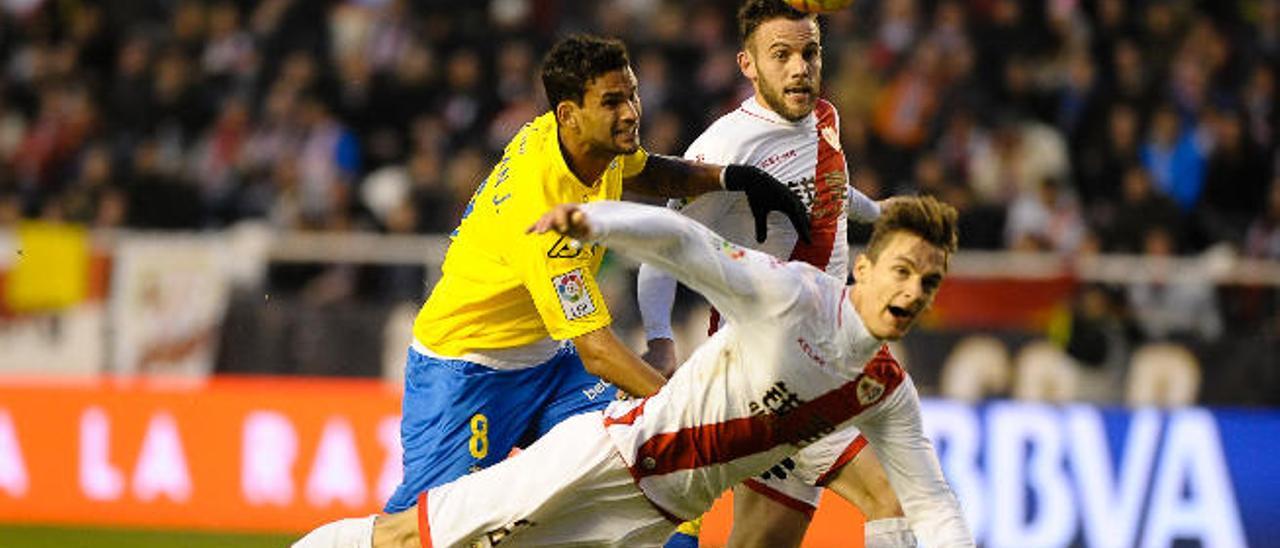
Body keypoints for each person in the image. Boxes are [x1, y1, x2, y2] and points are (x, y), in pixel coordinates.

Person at [293, 195, 974, 547]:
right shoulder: (793, 298)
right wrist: (595, 222)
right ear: (866, 268)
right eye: (903, 272)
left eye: (929, 283)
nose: (912, 294)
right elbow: (687, 243)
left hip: (651, 520)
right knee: (409, 537)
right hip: (605, 461)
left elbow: (932, 504)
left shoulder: (885, 391)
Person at [381, 34, 810, 516]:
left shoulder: (580, 140)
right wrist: (696, 414)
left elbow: (645, 172)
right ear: (569, 113)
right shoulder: (545, 217)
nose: (630, 112)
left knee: (653, 471)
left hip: (550, 360)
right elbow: (598, 351)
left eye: (631, 93)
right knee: (423, 529)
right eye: (612, 102)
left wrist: (734, 178)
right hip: (468, 369)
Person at [635, 2, 912, 546]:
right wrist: (661, 340)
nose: (798, 68)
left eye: (809, 54)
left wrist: (879, 213)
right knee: (889, 500)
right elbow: (661, 247)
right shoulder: (726, 147)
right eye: (780, 55)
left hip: (818, 357)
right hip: (770, 367)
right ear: (747, 63)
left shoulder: (825, 119)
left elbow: (829, 195)